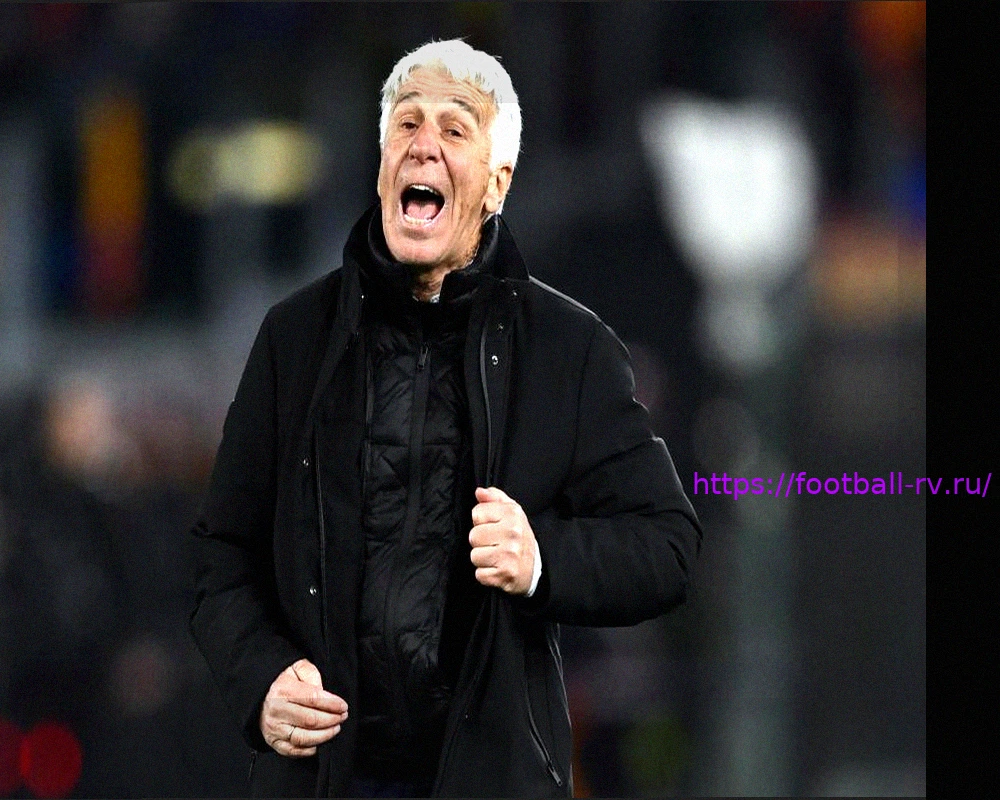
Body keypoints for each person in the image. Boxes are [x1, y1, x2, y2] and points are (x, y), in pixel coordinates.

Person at [189, 39, 702, 798]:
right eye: (406, 123)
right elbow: (220, 554)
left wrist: (541, 560)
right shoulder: (294, 339)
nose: (423, 145)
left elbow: (666, 547)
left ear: (498, 182)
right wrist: (259, 679)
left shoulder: (568, 350)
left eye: (455, 129)